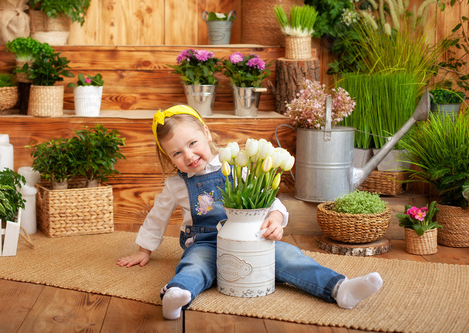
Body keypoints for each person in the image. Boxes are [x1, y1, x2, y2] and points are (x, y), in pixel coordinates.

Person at [117, 105, 383, 320]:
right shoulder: (176, 184)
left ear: (207, 133)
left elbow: (269, 200)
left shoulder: (237, 165)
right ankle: (176, 294)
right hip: (207, 242)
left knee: (289, 256)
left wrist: (275, 219)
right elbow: (157, 217)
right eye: (176, 153)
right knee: (194, 265)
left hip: (251, 238)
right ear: (168, 158)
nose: (188, 155)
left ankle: (339, 288)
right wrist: (144, 250)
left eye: (192, 143)